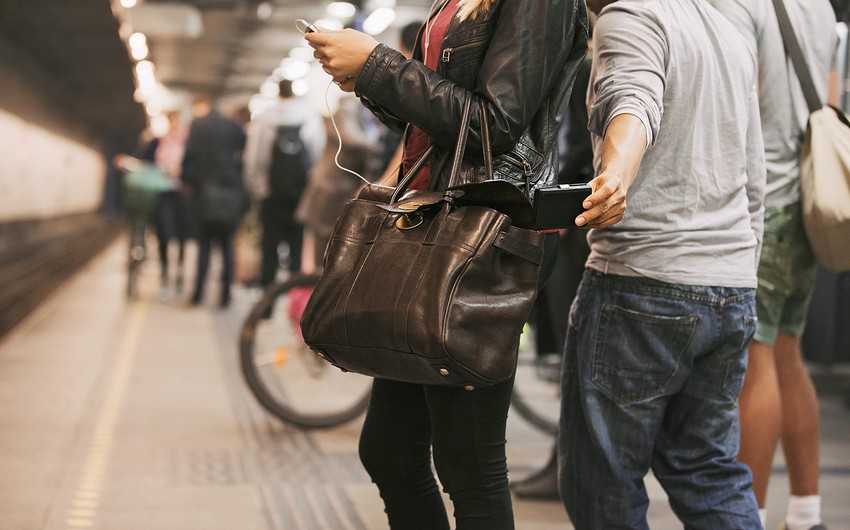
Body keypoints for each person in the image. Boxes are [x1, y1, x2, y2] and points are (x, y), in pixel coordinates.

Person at [304, 0, 589, 526]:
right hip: (437, 225)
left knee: (469, 466)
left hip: (488, 238)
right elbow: (439, 116)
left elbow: (494, 124)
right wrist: (366, 76)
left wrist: (377, 67)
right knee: (390, 450)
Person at [557, 0, 767, 527]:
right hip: (731, 285)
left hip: (642, 283)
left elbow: (632, 97)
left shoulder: (629, 17)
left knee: (603, 482)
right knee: (709, 471)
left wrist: (616, 176)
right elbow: (754, 177)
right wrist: (740, 271)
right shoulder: (728, 29)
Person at [707, 1, 838, 528]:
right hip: (808, 198)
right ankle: (806, 512)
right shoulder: (819, 5)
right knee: (788, 356)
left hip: (765, 203)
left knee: (755, 366)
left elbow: (740, 101)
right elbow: (828, 94)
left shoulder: (739, 4)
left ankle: (749, 516)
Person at [510, 51, 594, 501]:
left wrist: (555, 195)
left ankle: (569, 464)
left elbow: (578, 144)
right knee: (563, 345)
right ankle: (565, 461)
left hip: (571, 219)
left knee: (569, 345)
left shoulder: (580, 66)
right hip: (565, 216)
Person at [242, 79, 325, 288]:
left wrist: (255, 188)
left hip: (270, 194)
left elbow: (253, 158)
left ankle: (267, 303)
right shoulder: (310, 118)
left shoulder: (264, 119)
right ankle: (293, 300)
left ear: (278, 93)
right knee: (296, 248)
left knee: (269, 247)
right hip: (300, 194)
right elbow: (318, 156)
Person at [294, 92, 375, 273]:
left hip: (340, 187)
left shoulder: (361, 109)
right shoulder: (347, 108)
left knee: (332, 242)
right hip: (331, 188)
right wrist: (379, 143)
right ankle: (319, 290)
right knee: (325, 245)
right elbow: (351, 140)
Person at [181, 97, 247, 308]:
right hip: (229, 193)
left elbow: (188, 158)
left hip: (204, 193)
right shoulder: (234, 127)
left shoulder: (198, 125)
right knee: (227, 246)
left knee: (204, 247)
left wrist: (186, 181)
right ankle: (225, 296)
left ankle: (198, 295)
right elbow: (245, 156)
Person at [153, 110, 190, 299]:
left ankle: (180, 277)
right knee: (164, 236)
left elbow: (192, 165)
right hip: (163, 193)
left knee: (182, 237)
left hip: (181, 194)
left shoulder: (188, 142)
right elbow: (147, 159)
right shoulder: (159, 141)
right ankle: (165, 278)